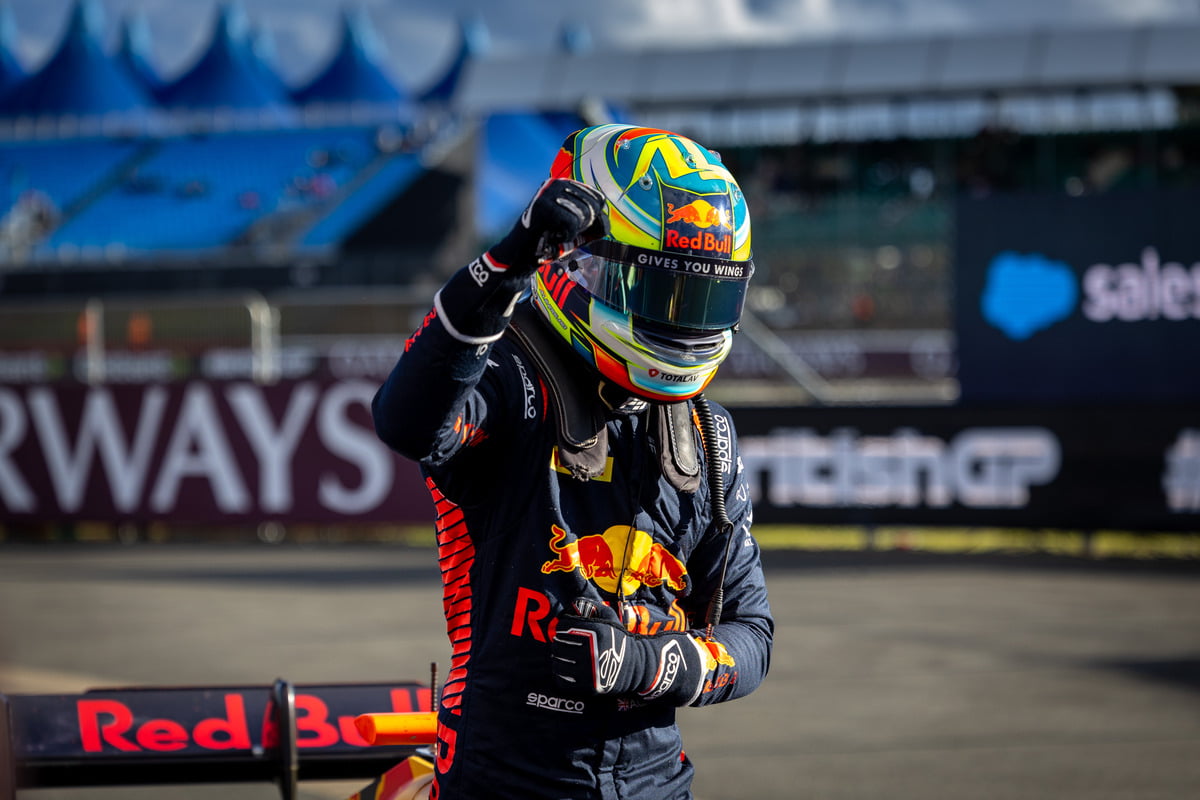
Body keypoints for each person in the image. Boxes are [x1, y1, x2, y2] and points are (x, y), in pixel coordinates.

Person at [372, 123, 774, 800]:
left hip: (657, 785)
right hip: (502, 780)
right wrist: (506, 264)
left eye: (701, 298)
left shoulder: (707, 437)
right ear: (580, 263)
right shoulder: (506, 380)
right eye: (657, 291)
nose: (680, 322)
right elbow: (406, 421)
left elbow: (752, 638)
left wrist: (648, 663)